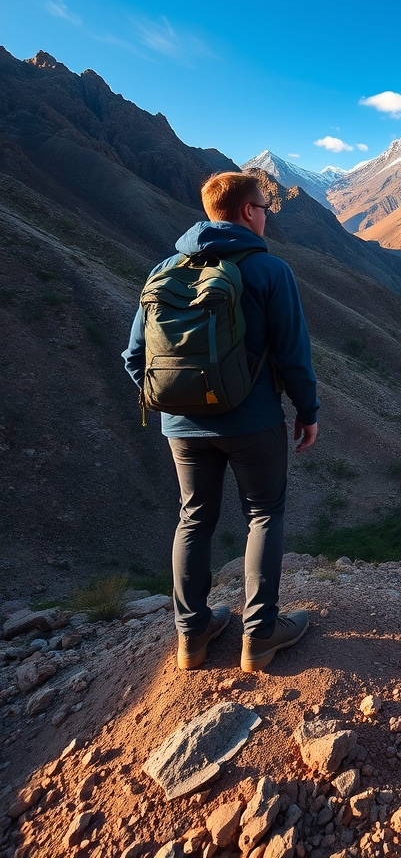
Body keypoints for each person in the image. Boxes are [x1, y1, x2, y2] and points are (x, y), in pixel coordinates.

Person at [124, 172, 319, 673]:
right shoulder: (269, 270)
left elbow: (134, 356)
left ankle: (192, 637)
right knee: (264, 515)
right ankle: (261, 636)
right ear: (248, 212)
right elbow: (294, 353)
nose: (267, 216)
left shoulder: (165, 268)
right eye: (264, 207)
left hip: (182, 428)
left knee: (194, 520)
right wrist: (307, 411)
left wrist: (177, 403)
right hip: (253, 422)